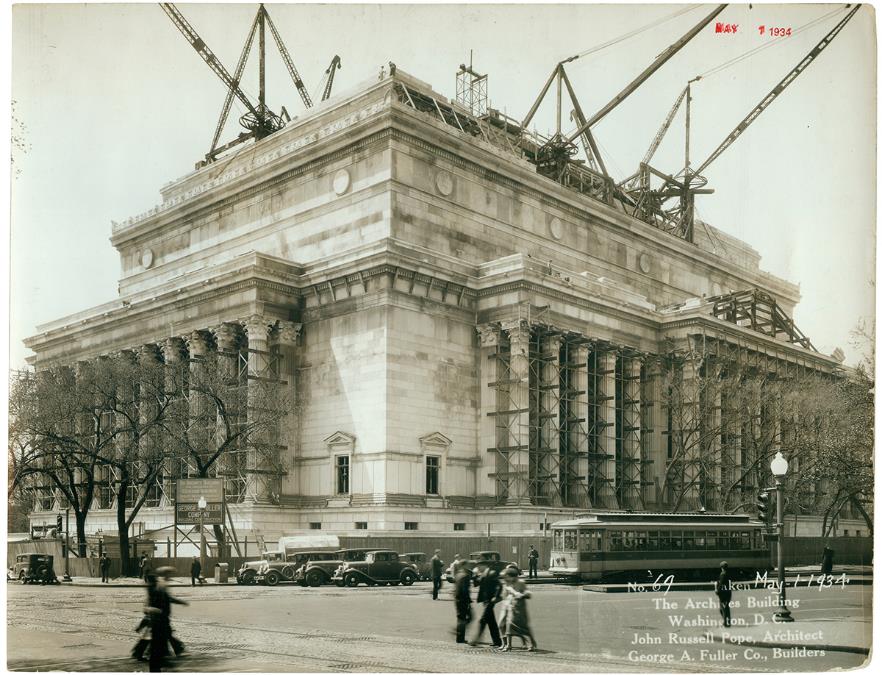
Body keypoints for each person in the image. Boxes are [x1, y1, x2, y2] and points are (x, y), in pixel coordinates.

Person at [145, 566, 189, 672]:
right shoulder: (160, 584)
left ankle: (159, 661)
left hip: (161, 619)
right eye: (169, 574)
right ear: (165, 574)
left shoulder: (161, 583)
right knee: (159, 643)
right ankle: (157, 662)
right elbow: (159, 600)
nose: (170, 576)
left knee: (160, 642)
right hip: (160, 620)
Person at [498, 568, 537, 651]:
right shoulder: (507, 583)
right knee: (504, 625)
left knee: (522, 626)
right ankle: (506, 644)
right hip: (508, 606)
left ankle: (530, 644)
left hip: (518, 607)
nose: (505, 578)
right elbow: (504, 595)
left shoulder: (520, 583)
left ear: (513, 576)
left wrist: (521, 595)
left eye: (507, 576)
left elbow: (528, 593)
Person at [469, 568, 502, 647]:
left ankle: (476, 639)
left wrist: (496, 596)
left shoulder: (492, 572)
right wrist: (474, 576)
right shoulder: (483, 573)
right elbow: (476, 584)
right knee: (491, 622)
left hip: (490, 601)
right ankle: (497, 641)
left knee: (482, 620)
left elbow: (499, 585)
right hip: (485, 600)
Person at [453, 565, 473, 644]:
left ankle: (459, 637)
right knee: (468, 617)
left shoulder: (457, 575)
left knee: (460, 618)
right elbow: (465, 590)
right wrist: (468, 600)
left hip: (457, 599)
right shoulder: (466, 576)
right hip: (463, 600)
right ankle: (459, 636)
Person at [715, 561, 732, 628]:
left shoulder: (723, 574)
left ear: (721, 567)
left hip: (723, 594)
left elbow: (721, 584)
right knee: (726, 608)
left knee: (723, 609)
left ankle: (726, 623)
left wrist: (717, 591)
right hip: (728, 593)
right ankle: (728, 622)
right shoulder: (728, 574)